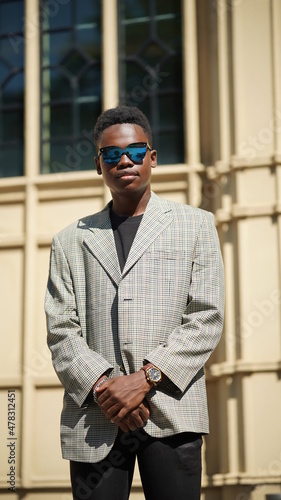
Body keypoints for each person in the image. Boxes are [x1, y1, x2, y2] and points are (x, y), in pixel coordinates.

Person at [45, 105, 224, 500]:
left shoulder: (195, 225)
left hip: (171, 412)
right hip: (96, 416)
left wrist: (144, 380)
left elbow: (206, 316)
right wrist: (107, 390)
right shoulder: (69, 240)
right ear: (98, 165)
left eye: (136, 151)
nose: (124, 160)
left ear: (152, 157)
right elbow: (61, 329)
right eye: (111, 154)